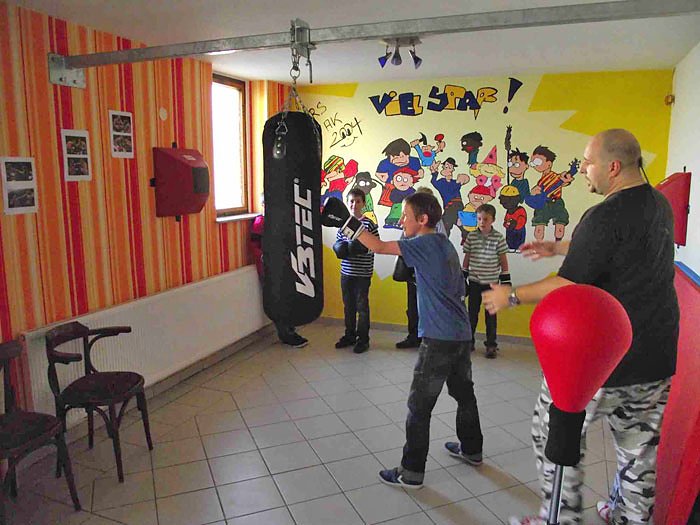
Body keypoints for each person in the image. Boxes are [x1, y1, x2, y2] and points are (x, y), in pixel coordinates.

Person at [482, 129, 679, 525]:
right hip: (656, 357)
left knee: (554, 435)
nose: (584, 168)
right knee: (639, 452)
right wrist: (557, 247)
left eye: (588, 161)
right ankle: (629, 518)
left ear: (613, 167)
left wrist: (510, 295)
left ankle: (560, 518)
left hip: (600, 361)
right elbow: (617, 246)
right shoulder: (659, 203)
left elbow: (567, 285)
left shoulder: (603, 215)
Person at [322, 191, 484, 489]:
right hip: (461, 335)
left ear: (422, 219)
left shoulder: (422, 244)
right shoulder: (443, 242)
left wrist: (346, 221)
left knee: (419, 406)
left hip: (439, 338)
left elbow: (377, 246)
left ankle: (411, 473)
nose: (401, 222)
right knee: (464, 394)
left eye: (406, 217)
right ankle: (472, 449)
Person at [250, 199, 308, 348]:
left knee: (286, 298)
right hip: (268, 269)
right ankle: (285, 334)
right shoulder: (260, 222)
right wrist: (265, 260)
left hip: (281, 268)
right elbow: (256, 247)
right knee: (276, 300)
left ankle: (290, 330)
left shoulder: (277, 221)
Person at [396, 187, 447, 349]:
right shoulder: (410, 220)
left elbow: (442, 243)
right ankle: (413, 336)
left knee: (430, 305)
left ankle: (429, 338)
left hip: (430, 270)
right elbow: (401, 241)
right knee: (412, 305)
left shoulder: (437, 223)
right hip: (412, 268)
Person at [333, 188, 379, 354]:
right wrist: (340, 248)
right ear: (348, 202)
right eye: (351, 201)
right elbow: (339, 242)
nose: (354, 204)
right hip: (346, 272)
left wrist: (362, 248)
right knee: (348, 306)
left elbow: (376, 246)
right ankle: (350, 335)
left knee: (362, 307)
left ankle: (363, 339)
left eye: (358, 201)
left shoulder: (368, 224)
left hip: (362, 273)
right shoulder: (343, 223)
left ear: (363, 204)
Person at [462, 203, 510, 358]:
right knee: (472, 314)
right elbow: (467, 257)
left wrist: (506, 278)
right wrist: (463, 275)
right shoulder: (472, 236)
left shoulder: (498, 238)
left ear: (492, 220)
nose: (482, 222)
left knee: (491, 315)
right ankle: (469, 341)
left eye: (485, 219)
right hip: (475, 281)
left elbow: (503, 259)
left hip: (491, 282)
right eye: (479, 219)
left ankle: (491, 345)